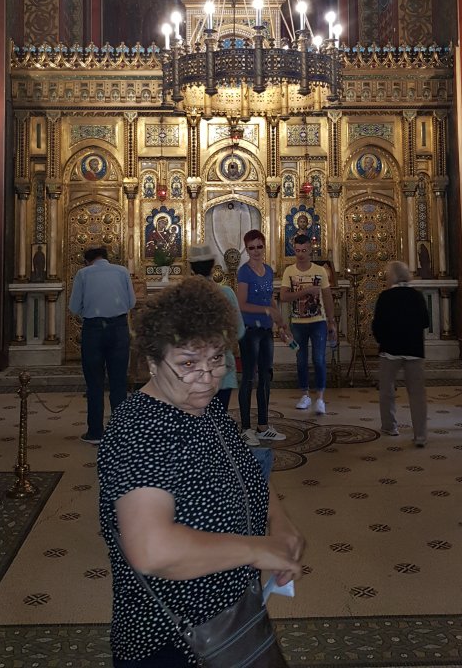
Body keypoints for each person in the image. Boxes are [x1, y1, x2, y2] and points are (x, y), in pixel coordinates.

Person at [98, 277, 304, 667]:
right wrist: (257, 549)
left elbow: (248, 475)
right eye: (188, 363)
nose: (207, 378)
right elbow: (152, 549)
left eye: (216, 359)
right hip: (171, 639)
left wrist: (281, 525)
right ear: (153, 362)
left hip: (232, 617)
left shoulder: (206, 412)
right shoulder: (139, 428)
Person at [69, 246, 136, 443]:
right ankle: (119, 432)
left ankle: (95, 432)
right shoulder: (122, 271)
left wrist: (88, 310)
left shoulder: (83, 274)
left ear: (87, 260)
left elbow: (74, 307)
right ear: (106, 258)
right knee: (118, 382)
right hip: (119, 329)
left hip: (93, 330)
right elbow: (131, 302)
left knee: (94, 382)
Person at [236, 229, 288, 445]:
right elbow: (242, 304)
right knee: (249, 377)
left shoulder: (268, 271)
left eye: (259, 246)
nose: (256, 251)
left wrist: (281, 322)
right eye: (251, 248)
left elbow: (270, 299)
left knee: (266, 377)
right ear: (246, 249)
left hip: (266, 330)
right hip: (250, 331)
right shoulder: (244, 272)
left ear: (264, 246)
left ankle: (263, 426)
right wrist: (266, 311)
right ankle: (246, 428)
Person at [372, 260, 430, 446]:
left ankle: (390, 426)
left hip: (390, 349)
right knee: (417, 394)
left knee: (387, 390)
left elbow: (377, 324)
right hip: (414, 349)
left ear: (391, 276)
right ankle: (420, 435)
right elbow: (425, 322)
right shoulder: (417, 296)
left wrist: (381, 340)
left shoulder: (385, 296)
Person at [280, 234, 336, 415]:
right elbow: (284, 296)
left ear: (310, 250)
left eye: (304, 250)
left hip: (318, 321)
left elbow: (327, 297)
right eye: (297, 251)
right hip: (298, 322)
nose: (300, 254)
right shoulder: (289, 271)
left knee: (318, 359)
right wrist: (306, 291)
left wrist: (331, 322)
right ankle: (304, 394)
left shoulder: (320, 271)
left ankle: (320, 398)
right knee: (301, 359)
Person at [188, 242, 244, 412]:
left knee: (197, 418)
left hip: (194, 370)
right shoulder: (226, 293)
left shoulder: (184, 296)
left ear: (191, 268)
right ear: (213, 266)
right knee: (219, 417)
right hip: (221, 367)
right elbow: (239, 331)